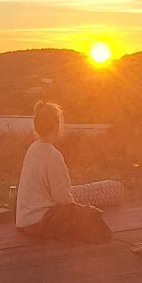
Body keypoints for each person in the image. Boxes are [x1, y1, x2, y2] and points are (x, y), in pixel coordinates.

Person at [14, 101, 111, 244]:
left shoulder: (32, 149)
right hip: (40, 221)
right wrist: (78, 209)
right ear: (56, 126)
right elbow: (61, 198)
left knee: (82, 214)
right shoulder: (53, 155)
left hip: (23, 220)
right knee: (92, 217)